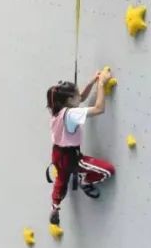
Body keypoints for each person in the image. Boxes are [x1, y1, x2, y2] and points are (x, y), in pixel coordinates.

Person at [46, 70, 116, 227]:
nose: (80, 96)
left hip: (57, 153)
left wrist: (91, 82)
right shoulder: (71, 115)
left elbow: (81, 99)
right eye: (76, 94)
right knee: (108, 171)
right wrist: (101, 84)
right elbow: (99, 108)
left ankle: (55, 206)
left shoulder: (56, 108)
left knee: (61, 179)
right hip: (72, 157)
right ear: (69, 100)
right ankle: (85, 180)